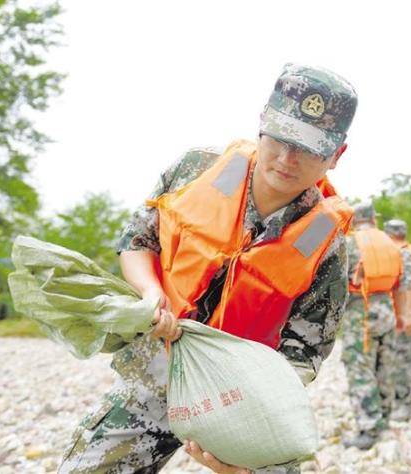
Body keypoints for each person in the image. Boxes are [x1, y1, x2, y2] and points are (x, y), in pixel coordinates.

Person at [58, 63, 358, 474]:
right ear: (262, 124)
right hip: (155, 368)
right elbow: (137, 242)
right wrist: (151, 293)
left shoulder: (326, 244)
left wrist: (246, 429)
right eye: (281, 139)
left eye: (308, 148)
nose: (287, 159)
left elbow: (304, 353)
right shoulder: (195, 170)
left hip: (242, 397)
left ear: (336, 155)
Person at [341, 203, 411, 450]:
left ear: (354, 219)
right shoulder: (392, 245)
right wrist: (403, 315)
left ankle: (369, 428)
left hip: (360, 311)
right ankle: (384, 416)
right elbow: (403, 285)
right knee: (385, 365)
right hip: (388, 310)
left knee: (360, 369)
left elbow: (338, 283)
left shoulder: (350, 243)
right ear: (374, 219)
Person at [383, 219, 411, 421]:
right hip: (394, 314)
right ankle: (397, 402)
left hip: (400, 315)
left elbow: (409, 287)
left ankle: (406, 405)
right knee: (396, 359)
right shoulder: (399, 251)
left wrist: (406, 316)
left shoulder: (403, 253)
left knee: (403, 360)